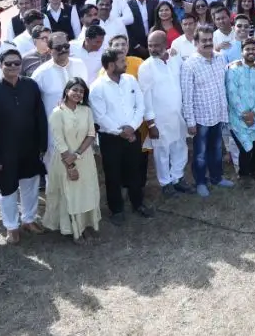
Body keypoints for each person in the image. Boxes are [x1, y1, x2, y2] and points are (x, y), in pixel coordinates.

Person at [0, 49, 47, 243]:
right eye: (8, 63)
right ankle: (11, 226)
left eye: (17, 63)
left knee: (30, 185)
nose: (13, 67)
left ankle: (29, 219)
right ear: (0, 66)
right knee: (7, 190)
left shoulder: (31, 86)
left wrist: (42, 144)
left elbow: (39, 115)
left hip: (29, 147)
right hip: (4, 151)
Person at [90, 49, 153, 219]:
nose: (125, 64)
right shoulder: (97, 87)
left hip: (132, 134)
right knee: (113, 175)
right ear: (111, 65)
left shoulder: (131, 80)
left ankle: (137, 203)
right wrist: (122, 132)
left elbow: (140, 106)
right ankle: (116, 210)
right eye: (121, 61)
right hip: (110, 139)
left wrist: (132, 128)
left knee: (135, 171)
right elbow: (100, 117)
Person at [40, 78, 101, 242]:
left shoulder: (86, 110)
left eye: (81, 91)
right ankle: (74, 229)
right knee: (70, 194)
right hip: (64, 160)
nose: (78, 93)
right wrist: (70, 164)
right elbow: (59, 141)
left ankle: (86, 224)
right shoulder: (57, 112)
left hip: (85, 158)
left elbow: (91, 134)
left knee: (86, 191)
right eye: (75, 89)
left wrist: (78, 154)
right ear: (67, 91)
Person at [180, 27, 232, 198]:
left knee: (217, 149)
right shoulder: (189, 65)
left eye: (210, 39)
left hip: (218, 114)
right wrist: (190, 121)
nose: (208, 43)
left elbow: (223, 86)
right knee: (200, 153)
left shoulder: (220, 58)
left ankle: (217, 177)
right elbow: (186, 96)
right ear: (196, 43)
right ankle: (201, 182)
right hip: (201, 118)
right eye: (204, 40)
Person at [137, 30, 187, 196]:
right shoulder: (146, 67)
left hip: (178, 114)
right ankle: (165, 183)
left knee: (179, 146)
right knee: (162, 151)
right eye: (150, 45)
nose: (152, 49)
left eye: (157, 45)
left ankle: (178, 178)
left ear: (166, 45)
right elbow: (145, 97)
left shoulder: (175, 59)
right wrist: (151, 123)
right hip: (159, 119)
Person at [227, 39, 255, 185]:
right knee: (246, 148)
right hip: (237, 117)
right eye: (248, 49)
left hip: (254, 115)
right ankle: (244, 175)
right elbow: (232, 94)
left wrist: (254, 112)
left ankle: (254, 170)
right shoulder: (233, 69)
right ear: (242, 52)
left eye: (254, 49)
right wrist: (244, 114)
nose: (251, 52)